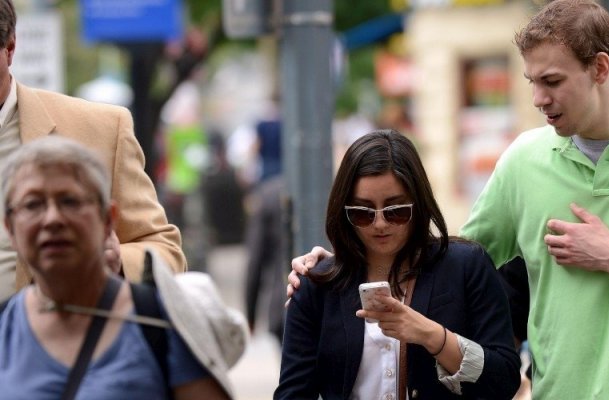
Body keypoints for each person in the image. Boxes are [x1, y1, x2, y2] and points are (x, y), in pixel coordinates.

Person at [289, 1, 609, 398]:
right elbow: (441, 265)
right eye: (532, 81)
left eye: (552, 81)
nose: (538, 98)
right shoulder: (524, 159)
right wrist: (341, 262)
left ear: (599, 68)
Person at [275, 130, 520, 399]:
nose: (380, 224)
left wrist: (434, 337)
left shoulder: (465, 267)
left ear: (419, 203)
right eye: (362, 213)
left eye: (396, 211)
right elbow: (293, 393)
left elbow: (505, 381)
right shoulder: (317, 284)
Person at [0, 136, 242, 399]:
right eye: (33, 204)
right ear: (9, 228)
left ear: (108, 220)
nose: (53, 219)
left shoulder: (160, 321)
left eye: (70, 201)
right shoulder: (5, 329)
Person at [0, 0, 186, 301]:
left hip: (62, 343)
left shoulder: (101, 129)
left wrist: (117, 263)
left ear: (10, 48)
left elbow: (167, 253)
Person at [243, 119, 288, 339]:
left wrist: (250, 314)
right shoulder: (331, 190)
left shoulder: (267, 195)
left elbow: (256, 260)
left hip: (283, 305)